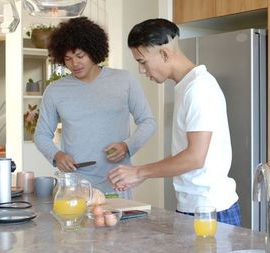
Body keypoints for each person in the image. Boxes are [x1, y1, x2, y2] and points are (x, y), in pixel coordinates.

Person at [108, 18, 240, 226]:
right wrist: (142, 175)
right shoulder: (186, 87)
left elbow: (195, 157)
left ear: (165, 54)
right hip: (194, 208)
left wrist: (140, 171)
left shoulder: (199, 89)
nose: (142, 71)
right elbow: (186, 152)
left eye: (142, 62)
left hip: (210, 211)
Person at [34, 17, 156, 197]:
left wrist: (127, 146)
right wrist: (57, 156)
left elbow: (148, 122)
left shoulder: (124, 80)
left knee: (119, 226)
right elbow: (41, 134)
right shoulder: (55, 91)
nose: (74, 64)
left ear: (93, 50)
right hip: (76, 186)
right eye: (67, 59)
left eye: (80, 56)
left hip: (117, 183)